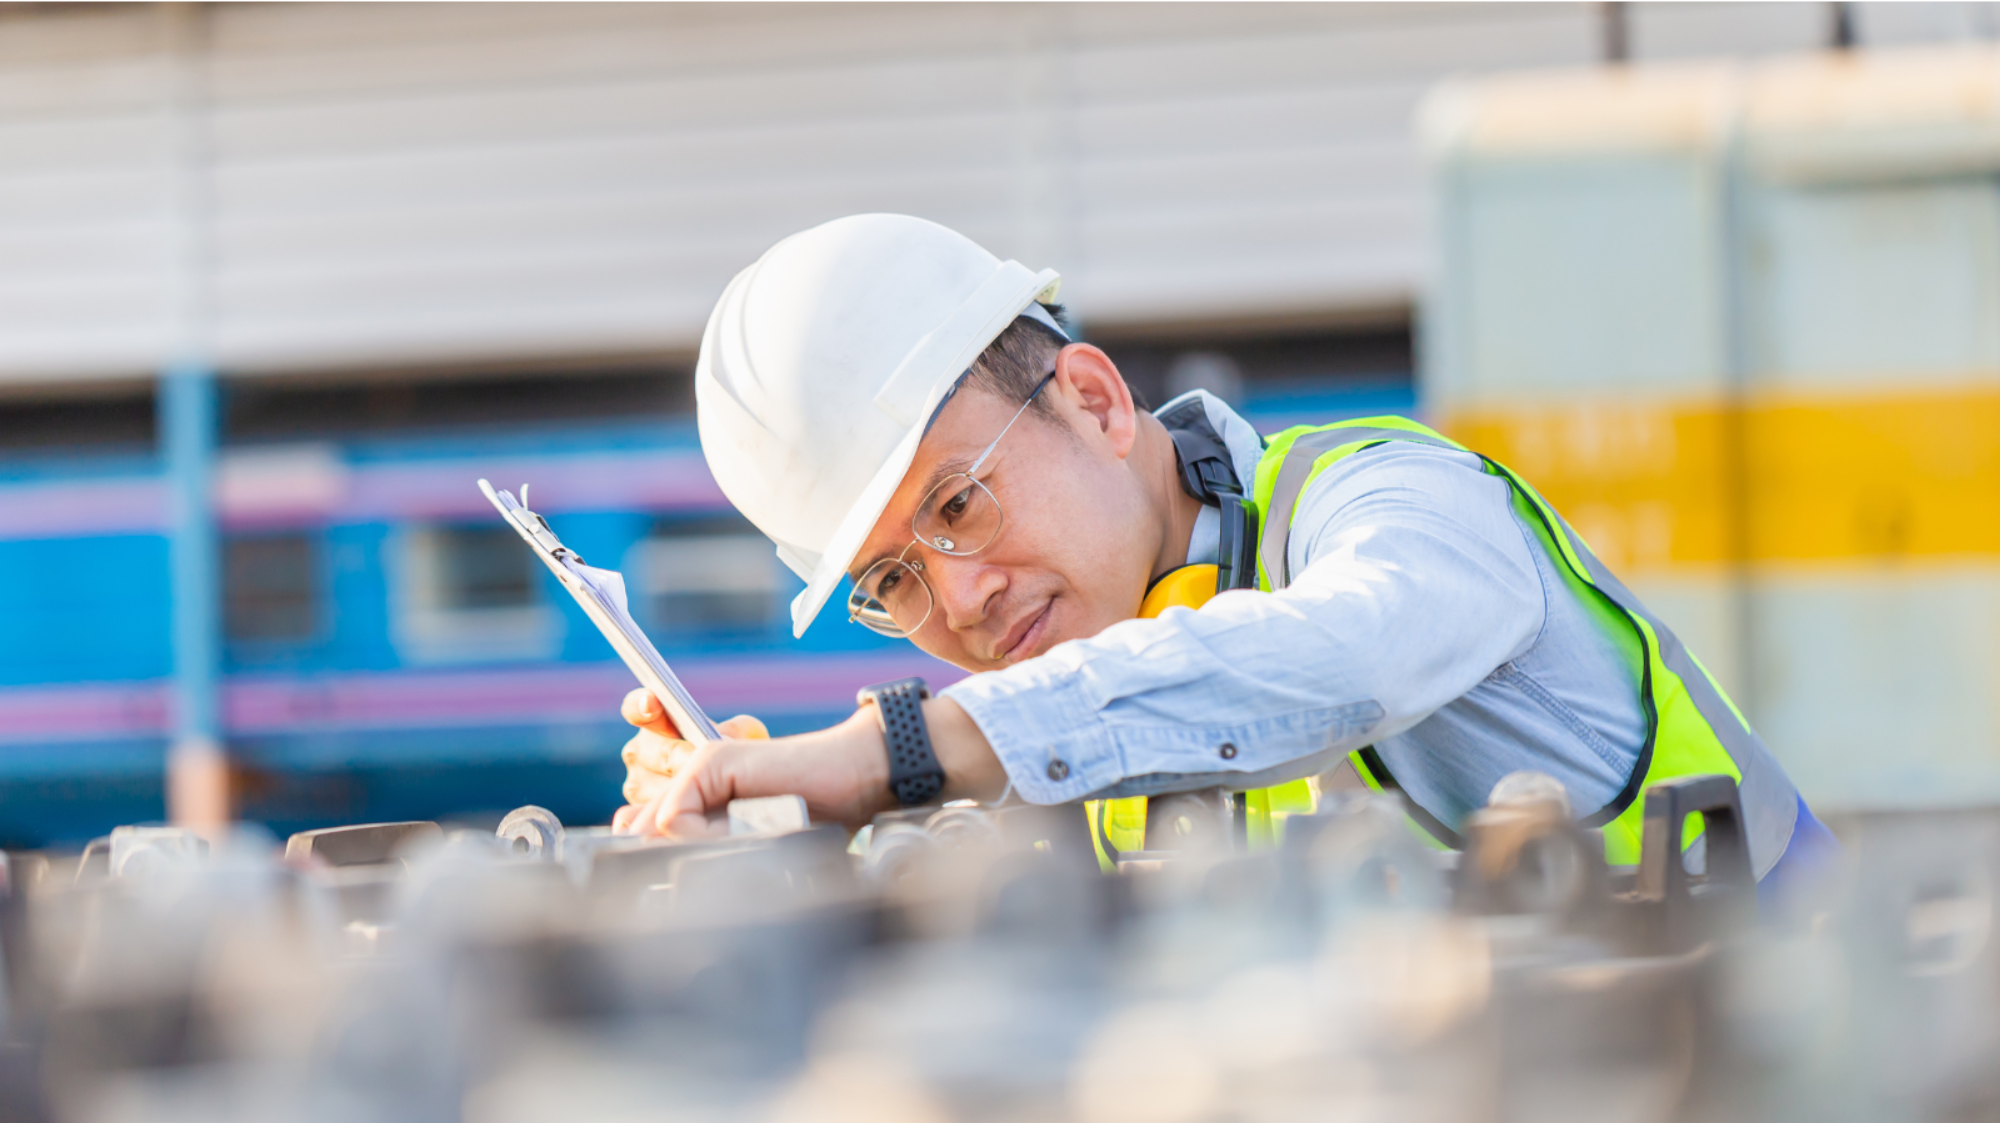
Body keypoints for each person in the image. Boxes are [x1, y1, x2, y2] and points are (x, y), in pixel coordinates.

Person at [611, 213, 1837, 900]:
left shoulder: (1392, 502)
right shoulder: (1091, 704)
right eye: (892, 583)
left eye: (960, 507)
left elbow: (1348, 651)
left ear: (1091, 398)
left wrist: (904, 748)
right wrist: (796, 831)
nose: (962, 598)